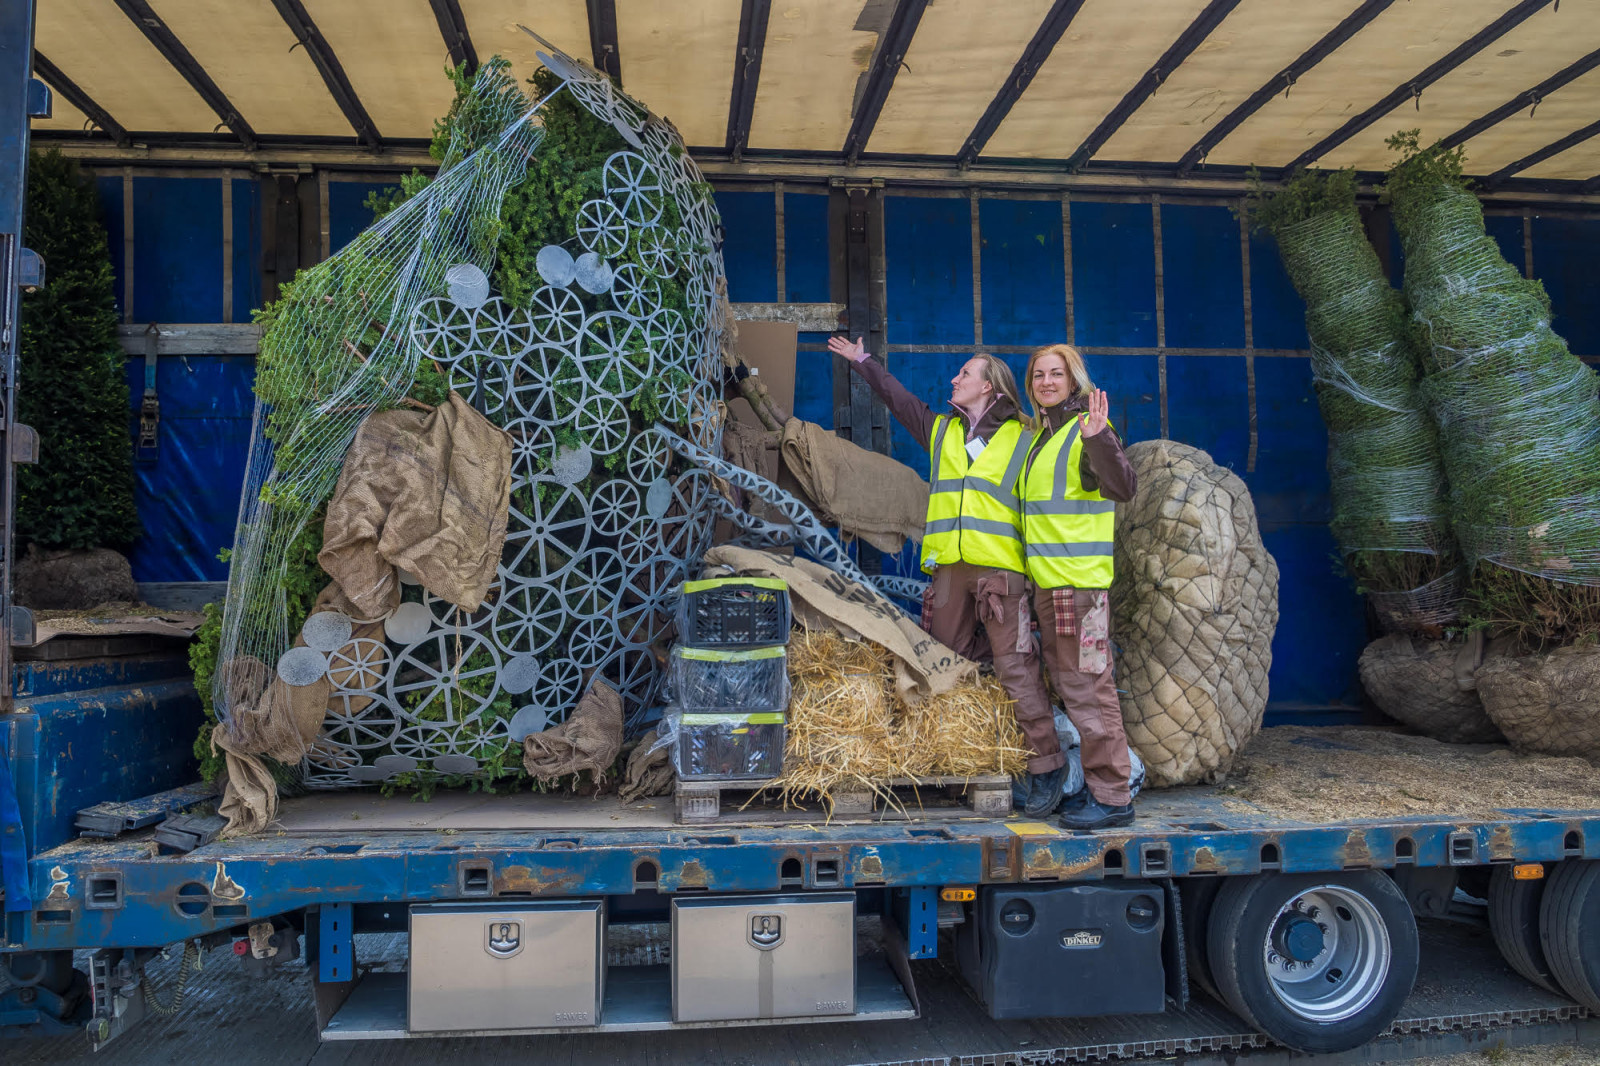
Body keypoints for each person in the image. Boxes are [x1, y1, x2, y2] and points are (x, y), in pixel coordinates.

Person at [827, 336, 1069, 817]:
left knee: (1016, 668)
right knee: (941, 662)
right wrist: (864, 362)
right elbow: (900, 402)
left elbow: (1051, 499)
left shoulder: (1026, 437)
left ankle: (1047, 767)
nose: (954, 379)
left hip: (1002, 573)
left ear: (990, 388)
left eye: (964, 374)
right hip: (951, 572)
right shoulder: (941, 432)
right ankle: (959, 756)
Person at [1019, 344, 1138, 830]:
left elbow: (1123, 487)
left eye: (1056, 374)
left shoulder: (1085, 431)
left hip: (1079, 590)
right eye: (1039, 375)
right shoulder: (1042, 438)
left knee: (1090, 688)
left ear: (1074, 381)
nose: (1047, 382)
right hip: (1053, 589)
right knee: (1077, 687)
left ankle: (1113, 797)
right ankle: (1101, 788)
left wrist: (1099, 439)